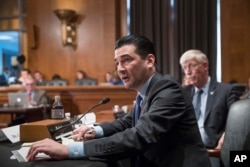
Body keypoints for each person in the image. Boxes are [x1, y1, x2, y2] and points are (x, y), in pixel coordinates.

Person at [27, 35, 211, 167]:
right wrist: (94, 130)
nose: (120, 69)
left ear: (149, 61)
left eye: (126, 60)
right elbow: (127, 122)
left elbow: (138, 136)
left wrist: (70, 150)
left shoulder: (167, 90)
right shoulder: (147, 91)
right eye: (116, 63)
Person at [179, 49, 239, 167]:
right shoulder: (183, 93)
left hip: (215, 150)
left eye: (191, 66)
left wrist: (226, 136)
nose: (188, 72)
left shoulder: (226, 91)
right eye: (184, 68)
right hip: (188, 151)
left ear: (205, 66)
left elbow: (237, 123)